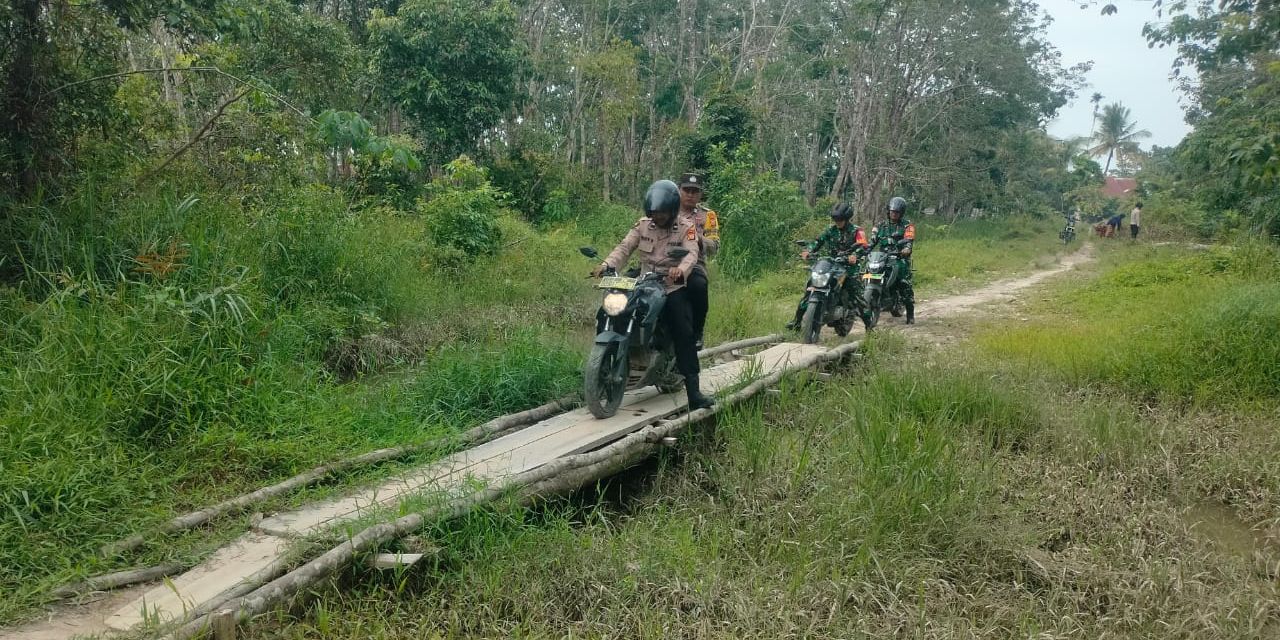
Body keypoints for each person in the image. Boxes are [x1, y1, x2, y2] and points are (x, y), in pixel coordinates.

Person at [592, 180, 715, 409]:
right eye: (654, 213)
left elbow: (691, 254)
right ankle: (605, 362)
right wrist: (606, 264)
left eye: (663, 213)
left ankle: (694, 392)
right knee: (612, 307)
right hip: (644, 279)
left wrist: (682, 270)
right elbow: (624, 247)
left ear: (672, 210)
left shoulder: (686, 226)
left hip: (672, 284)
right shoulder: (642, 225)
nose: (658, 217)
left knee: (683, 333)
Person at [787, 202, 870, 330]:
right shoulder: (831, 230)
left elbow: (864, 246)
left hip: (849, 267)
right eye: (835, 219)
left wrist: (855, 255)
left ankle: (869, 328)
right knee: (811, 287)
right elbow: (817, 241)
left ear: (846, 218)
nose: (837, 221)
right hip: (832, 264)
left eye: (840, 219)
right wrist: (809, 251)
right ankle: (797, 322)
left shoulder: (857, 231)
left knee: (857, 296)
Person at [677, 172, 719, 349]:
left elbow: (715, 246)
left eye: (695, 191)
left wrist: (698, 239)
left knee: (699, 286)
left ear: (700, 194)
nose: (690, 194)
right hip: (662, 261)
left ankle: (697, 332)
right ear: (679, 190)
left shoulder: (707, 216)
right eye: (687, 190)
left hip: (695, 264)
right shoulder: (667, 208)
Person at [870, 196, 916, 324]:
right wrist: (864, 250)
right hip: (882, 257)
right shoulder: (881, 225)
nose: (893, 214)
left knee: (904, 283)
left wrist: (906, 249)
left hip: (899, 258)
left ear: (901, 213)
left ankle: (910, 314)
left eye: (896, 212)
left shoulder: (908, 225)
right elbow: (872, 241)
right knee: (866, 273)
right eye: (892, 211)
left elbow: (909, 241)